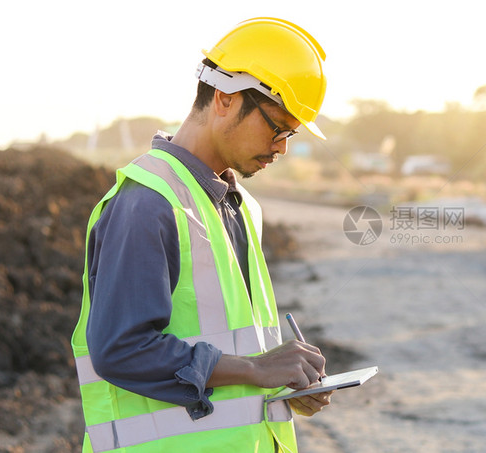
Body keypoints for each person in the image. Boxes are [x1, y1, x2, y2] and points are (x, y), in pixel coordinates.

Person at [71, 17, 331, 453]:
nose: (283, 146)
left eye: (292, 133)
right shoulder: (147, 204)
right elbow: (121, 349)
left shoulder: (240, 206)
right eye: (277, 127)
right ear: (226, 98)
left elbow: (230, 344)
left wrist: (283, 383)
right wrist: (256, 369)